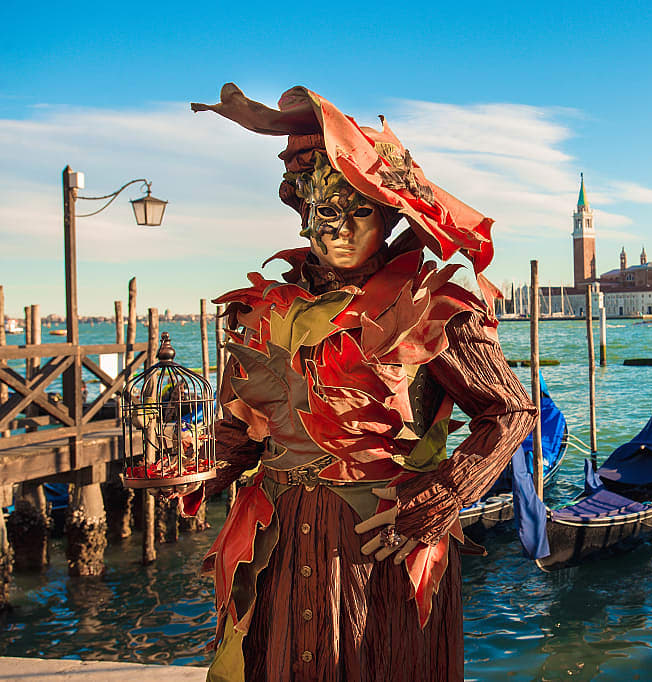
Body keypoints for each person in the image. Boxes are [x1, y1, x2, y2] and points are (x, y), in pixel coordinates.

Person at [184, 84, 537, 682]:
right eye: (327, 211)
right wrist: (196, 473)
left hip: (382, 542)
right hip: (275, 537)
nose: (342, 230)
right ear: (302, 211)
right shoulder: (261, 312)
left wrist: (441, 498)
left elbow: (508, 413)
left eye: (361, 212)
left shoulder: (431, 305)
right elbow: (244, 431)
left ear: (390, 215)